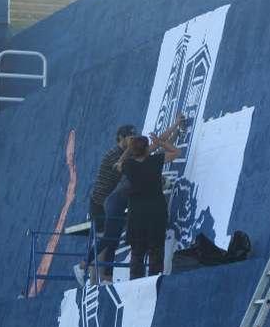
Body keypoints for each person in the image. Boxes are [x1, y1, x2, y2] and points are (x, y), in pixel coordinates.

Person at [74, 115, 187, 285]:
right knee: (108, 238)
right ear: (122, 139)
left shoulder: (131, 158)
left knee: (113, 239)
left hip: (119, 200)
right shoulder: (119, 156)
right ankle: (84, 264)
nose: (133, 138)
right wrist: (164, 136)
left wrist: (175, 125)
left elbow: (154, 145)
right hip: (105, 201)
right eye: (130, 136)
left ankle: (104, 276)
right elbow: (154, 147)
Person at [118, 134, 180, 279]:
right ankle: (155, 282)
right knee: (156, 251)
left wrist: (128, 149)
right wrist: (160, 142)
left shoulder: (129, 165)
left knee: (137, 254)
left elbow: (118, 163)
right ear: (147, 149)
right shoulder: (155, 160)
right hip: (156, 212)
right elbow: (176, 152)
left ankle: (134, 283)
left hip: (136, 215)